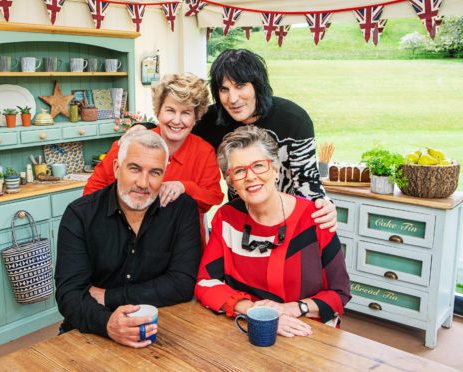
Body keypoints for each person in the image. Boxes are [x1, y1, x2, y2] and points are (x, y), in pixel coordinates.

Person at [195, 126, 350, 337]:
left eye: (259, 165)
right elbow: (205, 283)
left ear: (275, 169)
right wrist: (254, 311)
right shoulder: (227, 218)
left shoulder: (315, 217)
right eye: (239, 170)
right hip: (251, 328)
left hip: (309, 332)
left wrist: (292, 308)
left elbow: (339, 293)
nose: (250, 177)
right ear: (230, 180)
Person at [55, 130, 202, 348]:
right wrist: (107, 323)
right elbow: (69, 294)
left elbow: (182, 284)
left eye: (155, 172)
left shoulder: (182, 210)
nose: (143, 183)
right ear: (116, 168)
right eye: (134, 168)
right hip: (91, 329)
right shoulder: (80, 215)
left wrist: (108, 297)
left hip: (160, 330)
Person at [192, 49, 337, 232]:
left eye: (240, 86)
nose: (233, 99)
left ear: (257, 85)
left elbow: (307, 181)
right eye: (224, 89)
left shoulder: (294, 119)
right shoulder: (210, 121)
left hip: (290, 222)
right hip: (243, 223)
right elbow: (174, 130)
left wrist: (322, 204)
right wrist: (145, 129)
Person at [84, 73, 224, 245]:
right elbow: (92, 193)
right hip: (127, 244)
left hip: (184, 247)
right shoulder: (131, 143)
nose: (177, 120)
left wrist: (183, 187)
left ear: (196, 117)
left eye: (186, 113)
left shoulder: (204, 151)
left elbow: (213, 197)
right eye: (170, 110)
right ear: (158, 111)